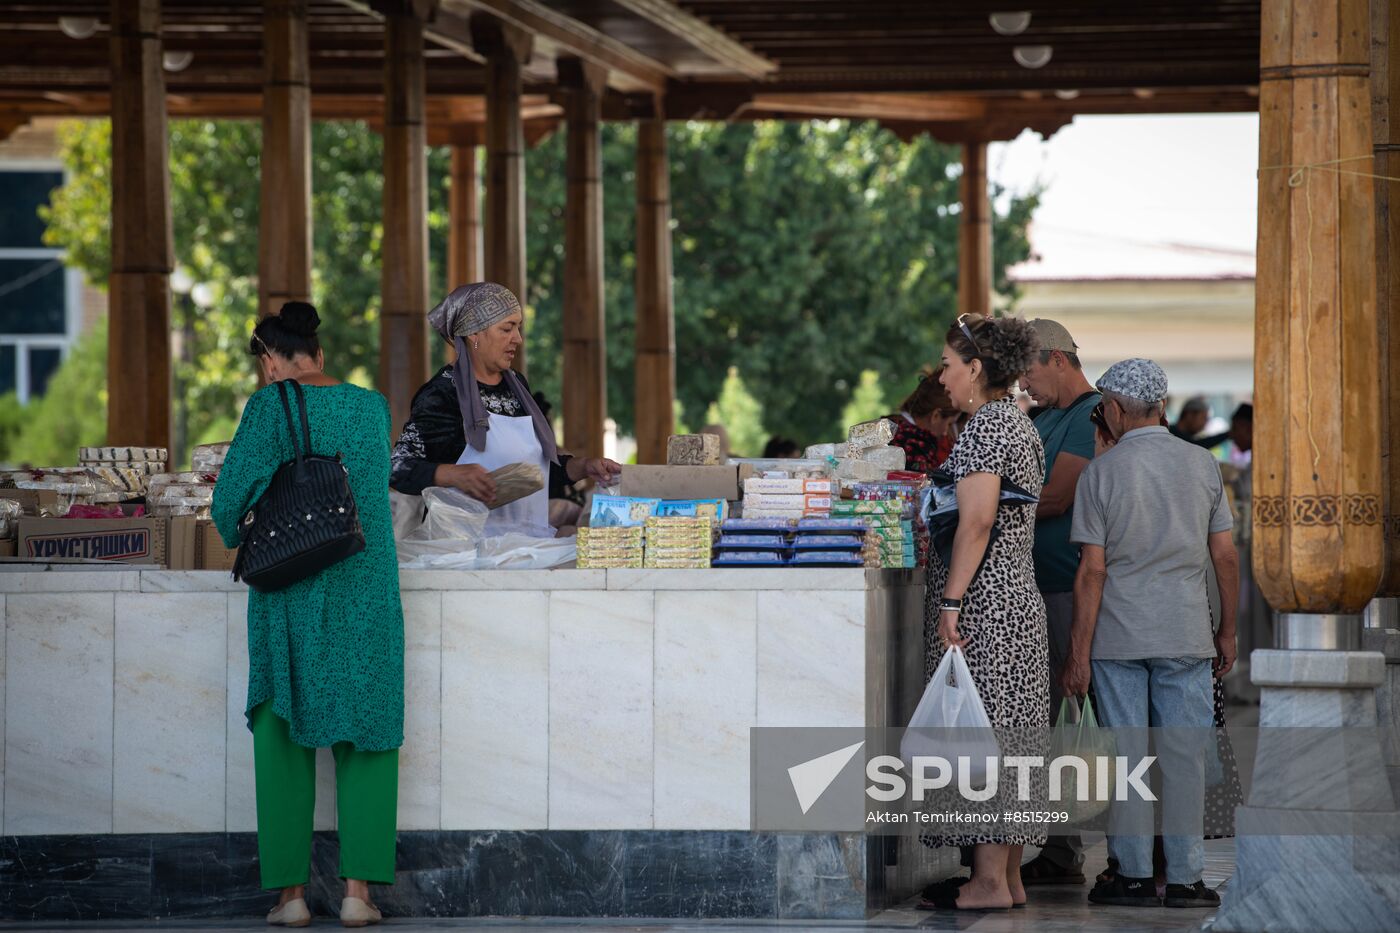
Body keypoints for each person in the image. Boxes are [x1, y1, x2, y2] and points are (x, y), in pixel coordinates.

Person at [212, 302, 402, 928]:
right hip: (365, 585)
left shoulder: (268, 407)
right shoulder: (371, 405)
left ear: (269, 361)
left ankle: (291, 897)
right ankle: (358, 895)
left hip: (289, 590)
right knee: (368, 729)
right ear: (317, 354)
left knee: (281, 733)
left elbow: (224, 511)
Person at [1062, 358, 1240, 910]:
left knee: (1127, 758)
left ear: (1113, 409)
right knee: (1183, 758)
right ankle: (1186, 879)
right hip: (1186, 633)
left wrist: (1078, 652)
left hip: (1118, 639)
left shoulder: (1101, 475)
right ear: (1161, 405)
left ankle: (1134, 876)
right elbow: (1225, 558)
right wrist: (1227, 632)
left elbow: (1092, 570)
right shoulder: (1202, 464)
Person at [922, 312, 1048, 912]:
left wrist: (951, 599)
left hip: (989, 604)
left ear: (975, 368)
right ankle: (1009, 877)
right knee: (1012, 733)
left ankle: (989, 881)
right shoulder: (1016, 424)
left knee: (986, 734)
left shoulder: (986, 429)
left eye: (948, 365)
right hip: (1016, 597)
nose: (941, 377)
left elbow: (976, 520)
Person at [389, 283, 621, 537]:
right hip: (463, 551)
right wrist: (452, 474)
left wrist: (585, 466)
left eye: (518, 328)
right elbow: (398, 468)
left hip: (524, 541)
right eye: (507, 328)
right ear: (474, 334)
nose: (518, 339)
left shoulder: (517, 386)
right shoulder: (442, 394)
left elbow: (534, 475)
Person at [1014, 318, 1099, 886]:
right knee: (1045, 722)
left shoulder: (1089, 417)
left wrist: (988, 504)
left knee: (1076, 717)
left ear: (1057, 358)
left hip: (1069, 586)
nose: (1024, 383)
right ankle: (1058, 845)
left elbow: (1060, 495)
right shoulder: (1042, 416)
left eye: (1028, 370)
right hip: (1035, 585)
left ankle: (1082, 848)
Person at [889, 367, 959, 474]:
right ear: (935, 416)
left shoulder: (890, 424)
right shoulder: (917, 445)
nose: (946, 432)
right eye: (949, 424)